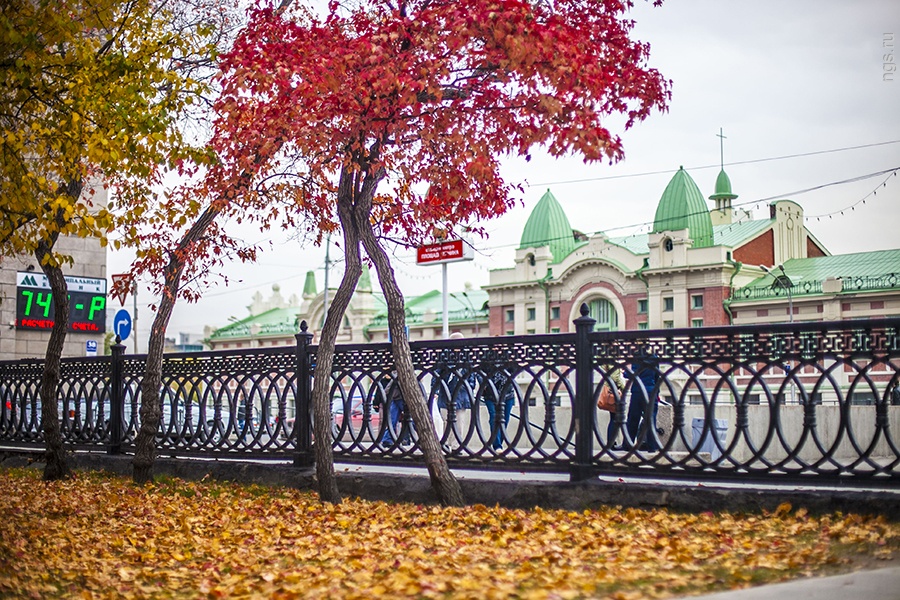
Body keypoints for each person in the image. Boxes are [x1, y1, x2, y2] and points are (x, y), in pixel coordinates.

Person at [431, 331, 477, 451]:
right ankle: (446, 444)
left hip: (461, 394)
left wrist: (469, 387)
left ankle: (456, 446)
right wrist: (435, 390)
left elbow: (472, 376)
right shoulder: (444, 357)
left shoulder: (467, 357)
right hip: (446, 393)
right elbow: (436, 374)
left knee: (459, 422)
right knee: (447, 421)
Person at [625, 346, 660, 451]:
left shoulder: (636, 358)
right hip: (650, 391)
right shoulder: (654, 357)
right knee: (651, 419)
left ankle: (628, 445)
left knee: (633, 419)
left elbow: (632, 374)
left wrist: (625, 372)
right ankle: (652, 447)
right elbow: (656, 376)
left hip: (637, 391)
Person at [481, 363, 516, 450]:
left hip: (507, 394)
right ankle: (497, 445)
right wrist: (484, 384)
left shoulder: (508, 355)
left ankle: (498, 441)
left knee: (505, 419)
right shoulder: (487, 357)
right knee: (494, 417)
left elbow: (515, 370)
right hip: (490, 394)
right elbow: (479, 371)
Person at [603, 363, 626, 447]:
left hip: (610, 388)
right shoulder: (612, 358)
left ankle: (611, 442)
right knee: (615, 418)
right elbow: (615, 376)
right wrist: (624, 387)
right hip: (614, 390)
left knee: (613, 417)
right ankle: (611, 443)